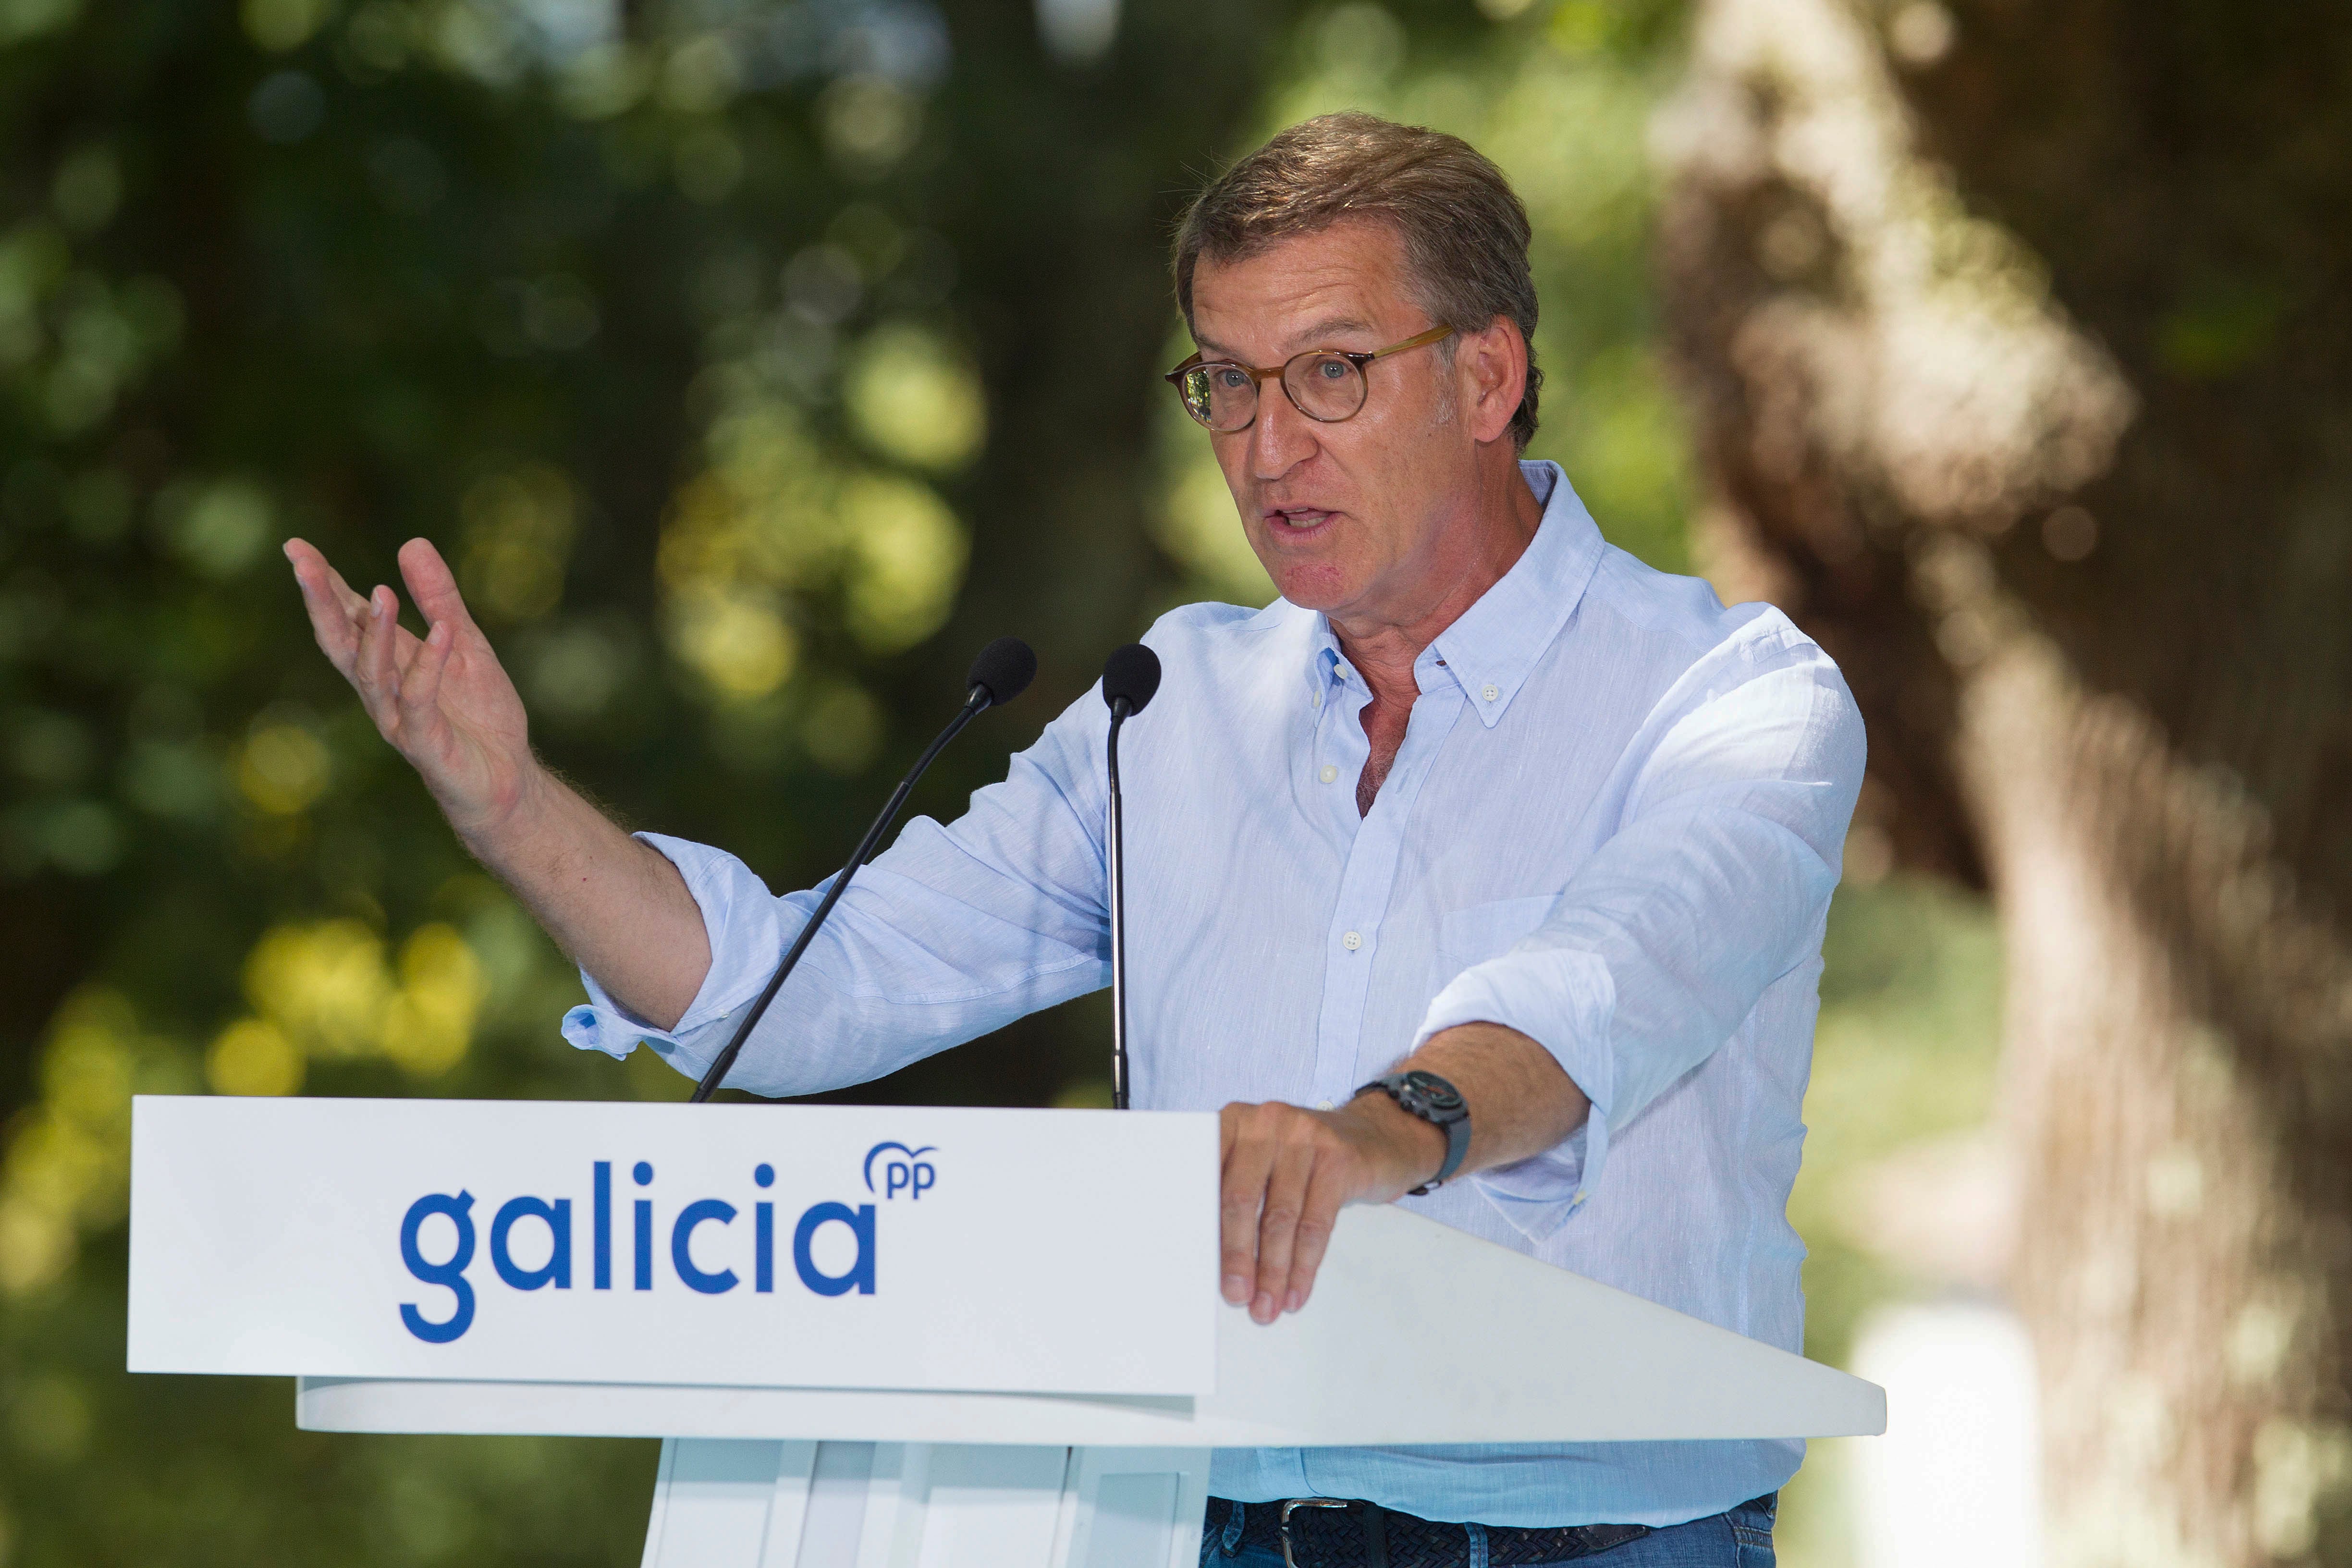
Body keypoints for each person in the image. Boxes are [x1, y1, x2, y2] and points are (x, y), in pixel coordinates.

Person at [287, 112, 1860, 1567]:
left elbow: (1609, 984)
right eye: (1224, 383)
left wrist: (1381, 1133)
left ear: (1488, 376)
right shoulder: (1169, 711)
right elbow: (798, 988)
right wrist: (508, 806)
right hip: (1208, 1526)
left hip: (1604, 1542)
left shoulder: (1731, 695)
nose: (1264, 445)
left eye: (1329, 372)